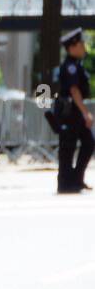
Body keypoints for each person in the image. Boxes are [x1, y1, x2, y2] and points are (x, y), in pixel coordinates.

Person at [54, 28, 92, 194]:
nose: (84, 47)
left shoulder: (76, 65)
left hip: (74, 112)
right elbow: (74, 90)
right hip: (69, 112)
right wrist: (86, 112)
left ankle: (76, 179)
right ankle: (65, 183)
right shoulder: (70, 67)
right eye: (81, 44)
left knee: (89, 142)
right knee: (68, 147)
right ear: (72, 47)